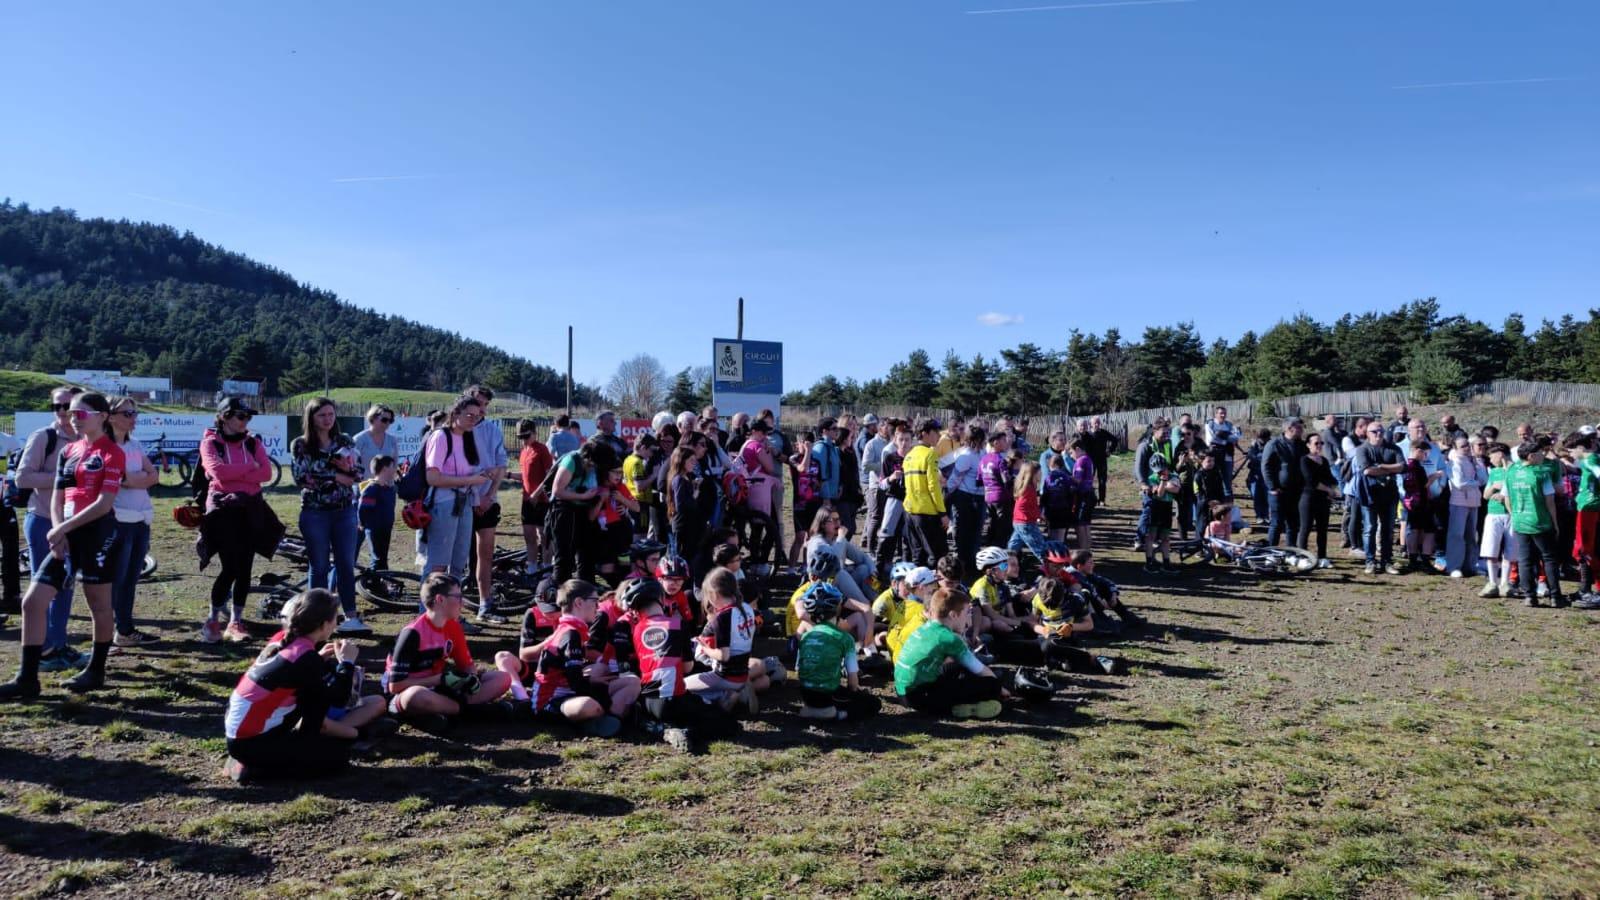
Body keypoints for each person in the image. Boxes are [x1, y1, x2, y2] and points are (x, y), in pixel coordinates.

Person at [0, 392, 123, 700]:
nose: (72, 418)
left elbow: (103, 503)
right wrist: (57, 529)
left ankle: (95, 669)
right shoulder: (69, 450)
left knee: (99, 606)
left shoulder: (111, 452)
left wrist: (64, 529)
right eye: (69, 413)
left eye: (80, 414)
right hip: (65, 534)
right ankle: (27, 678)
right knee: (32, 602)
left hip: (96, 535)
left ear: (102, 416)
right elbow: (58, 495)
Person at [222, 589, 391, 781]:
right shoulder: (304, 657)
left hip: (242, 735)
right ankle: (251, 768)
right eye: (336, 618)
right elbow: (339, 699)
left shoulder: (284, 640)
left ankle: (299, 746)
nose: (337, 623)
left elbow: (299, 679)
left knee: (314, 700)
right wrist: (347, 663)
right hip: (252, 743)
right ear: (324, 624)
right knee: (337, 758)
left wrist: (319, 659)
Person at [384, 573, 514, 734]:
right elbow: (395, 686)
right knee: (415, 696)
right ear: (440, 599)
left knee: (502, 678)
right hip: (407, 692)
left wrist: (470, 679)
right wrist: (441, 679)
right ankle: (474, 712)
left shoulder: (453, 626)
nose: (463, 602)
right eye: (458, 596)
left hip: (439, 689)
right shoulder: (412, 633)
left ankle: (444, 714)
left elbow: (467, 667)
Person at [199, 397, 281, 642]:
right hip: (224, 511)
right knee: (230, 567)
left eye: (248, 417)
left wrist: (243, 474)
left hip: (251, 509)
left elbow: (266, 473)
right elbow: (218, 474)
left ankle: (236, 622)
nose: (246, 421)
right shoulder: (210, 442)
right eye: (241, 416)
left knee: (245, 567)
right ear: (225, 416)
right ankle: (213, 620)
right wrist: (250, 470)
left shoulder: (253, 442)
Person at [14, 386, 84, 671]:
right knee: (43, 589)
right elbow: (22, 478)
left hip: (74, 524)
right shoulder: (45, 437)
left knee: (66, 587)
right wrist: (63, 477)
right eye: (58, 406)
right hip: (43, 520)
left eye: (70, 406)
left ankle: (58, 645)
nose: (64, 412)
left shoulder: (85, 438)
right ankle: (42, 651)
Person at [291, 397, 369, 633]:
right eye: (322, 415)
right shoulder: (301, 445)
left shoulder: (343, 440)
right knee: (320, 566)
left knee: (346, 564)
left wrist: (347, 471)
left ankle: (351, 616)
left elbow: (359, 472)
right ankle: (317, 619)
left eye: (330, 414)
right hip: (315, 513)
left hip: (344, 511)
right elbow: (302, 478)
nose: (327, 419)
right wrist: (335, 475)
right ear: (311, 418)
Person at [420, 396, 492, 613]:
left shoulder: (469, 438)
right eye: (469, 415)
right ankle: (426, 616)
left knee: (458, 565)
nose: (474, 420)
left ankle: (452, 615)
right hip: (444, 504)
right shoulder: (441, 437)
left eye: (478, 416)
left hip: (464, 504)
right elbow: (433, 478)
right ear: (455, 414)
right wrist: (471, 480)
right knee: (438, 565)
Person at [893, 587, 1005, 720]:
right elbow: (979, 668)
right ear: (953, 615)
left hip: (903, 694)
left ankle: (958, 705)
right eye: (966, 612)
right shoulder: (949, 638)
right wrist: (1000, 688)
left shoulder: (924, 628)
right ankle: (960, 707)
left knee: (959, 668)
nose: (968, 617)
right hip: (922, 697)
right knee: (992, 684)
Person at [100, 397, 159, 649]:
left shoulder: (134, 444)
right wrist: (136, 479)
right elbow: (116, 479)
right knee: (118, 578)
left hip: (141, 519)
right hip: (118, 519)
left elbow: (153, 476)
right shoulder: (103, 446)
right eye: (128, 413)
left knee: (131, 578)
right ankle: (116, 629)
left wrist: (132, 479)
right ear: (111, 416)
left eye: (134, 412)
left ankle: (124, 629)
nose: (133, 417)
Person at [690, 568, 779, 714]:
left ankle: (725, 696)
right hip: (742, 673)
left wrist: (706, 649)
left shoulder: (722, 618)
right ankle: (734, 692)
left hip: (723, 675)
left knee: (682, 687)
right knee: (761, 678)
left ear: (714, 594)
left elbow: (724, 656)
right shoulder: (747, 609)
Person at [796, 583, 880, 722]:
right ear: (838, 608)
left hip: (805, 693)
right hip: (828, 694)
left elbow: (799, 668)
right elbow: (853, 682)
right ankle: (836, 714)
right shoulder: (844, 638)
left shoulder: (805, 636)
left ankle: (812, 709)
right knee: (873, 704)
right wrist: (855, 694)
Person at [1504, 439, 1565, 606]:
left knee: (1525, 560)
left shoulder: (1511, 472)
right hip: (1540, 522)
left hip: (1520, 522)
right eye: (1539, 453)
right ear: (1531, 456)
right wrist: (1555, 523)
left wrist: (1515, 515)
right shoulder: (1541, 474)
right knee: (1549, 558)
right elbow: (1549, 501)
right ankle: (1555, 597)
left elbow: (1507, 498)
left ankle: (1529, 596)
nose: (1542, 455)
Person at [548, 436, 613, 584]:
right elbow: (557, 491)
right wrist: (582, 496)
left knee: (587, 556)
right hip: (564, 512)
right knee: (565, 558)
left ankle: (585, 592)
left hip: (585, 512)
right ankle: (560, 595)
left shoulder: (597, 466)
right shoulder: (572, 460)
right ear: (591, 458)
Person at [1352, 420, 1406, 576]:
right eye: (1374, 432)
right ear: (1367, 434)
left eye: (1380, 431)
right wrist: (1390, 469)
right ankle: (1370, 561)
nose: (1378, 434)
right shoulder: (1363, 449)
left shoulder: (1393, 448)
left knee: (1388, 529)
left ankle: (1387, 561)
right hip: (1370, 494)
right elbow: (1367, 470)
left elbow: (1402, 467)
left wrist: (1381, 467)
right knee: (1370, 528)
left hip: (1390, 494)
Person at [902, 418, 949, 568]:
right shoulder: (930, 454)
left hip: (910, 512)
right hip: (927, 512)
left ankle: (917, 588)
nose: (939, 436)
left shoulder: (909, 455)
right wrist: (942, 513)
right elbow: (933, 487)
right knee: (938, 555)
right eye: (936, 432)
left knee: (918, 555)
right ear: (925, 433)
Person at [1479, 443, 1518, 598]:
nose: (1490, 459)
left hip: (1510, 514)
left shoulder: (1515, 470)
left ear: (1500, 454)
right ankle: (1492, 582)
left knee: (1510, 549)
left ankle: (1505, 582)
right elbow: (1486, 495)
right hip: (1494, 513)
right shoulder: (1494, 472)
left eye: (1491, 455)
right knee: (1491, 548)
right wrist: (1495, 486)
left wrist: (1506, 497)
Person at [1445, 435, 1487, 579]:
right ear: (1455, 448)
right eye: (1462, 446)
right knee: (1456, 535)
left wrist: (1477, 467)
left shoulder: (1474, 461)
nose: (1467, 448)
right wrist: (1475, 482)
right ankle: (1453, 566)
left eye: (1467, 445)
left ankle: (1470, 565)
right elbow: (1459, 484)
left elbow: (1484, 479)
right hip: (1458, 502)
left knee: (1471, 536)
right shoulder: (1453, 462)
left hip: (1474, 502)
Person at [948, 424, 987, 576]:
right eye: (982, 439)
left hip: (980, 497)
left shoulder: (983, 453)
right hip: (964, 498)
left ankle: (973, 563)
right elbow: (954, 480)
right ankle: (961, 564)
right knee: (962, 532)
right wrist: (947, 496)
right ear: (976, 439)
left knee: (976, 532)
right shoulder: (966, 456)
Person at [1297, 433, 1339, 567]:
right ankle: (1303, 557)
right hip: (1308, 499)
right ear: (1308, 445)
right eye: (1316, 443)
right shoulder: (1304, 460)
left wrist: (1333, 487)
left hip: (1323, 500)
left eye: (1321, 443)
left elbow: (1331, 478)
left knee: (1323, 529)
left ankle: (1322, 557)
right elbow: (1311, 480)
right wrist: (1329, 490)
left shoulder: (1324, 460)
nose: (1319, 446)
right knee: (1306, 528)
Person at [1263, 418, 1306, 548]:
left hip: (1297, 490)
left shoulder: (1302, 445)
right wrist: (1272, 487)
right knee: (1277, 523)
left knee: (1293, 523)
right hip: (1278, 491)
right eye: (1299, 427)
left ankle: (1291, 550)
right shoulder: (1274, 444)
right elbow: (1266, 466)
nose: (1302, 430)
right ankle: (1271, 551)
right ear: (1289, 428)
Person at [1401, 440, 1444, 570]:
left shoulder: (1408, 466)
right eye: (1426, 454)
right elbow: (1422, 485)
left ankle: (1414, 558)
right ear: (1418, 451)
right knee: (1428, 531)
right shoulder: (1414, 467)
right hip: (1419, 503)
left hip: (1413, 502)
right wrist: (1435, 476)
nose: (1426, 457)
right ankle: (1423, 559)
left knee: (1415, 529)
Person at [517, 419, 553, 565]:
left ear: (534, 433)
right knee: (529, 537)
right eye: (521, 437)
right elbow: (524, 476)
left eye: (526, 436)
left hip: (542, 501)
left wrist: (536, 494)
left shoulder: (542, 449)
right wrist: (506, 475)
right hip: (527, 501)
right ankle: (532, 569)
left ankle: (546, 570)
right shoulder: (523, 452)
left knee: (544, 538)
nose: (524, 441)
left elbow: (549, 476)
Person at [357, 456, 397, 571]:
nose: (395, 469)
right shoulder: (372, 488)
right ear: (384, 469)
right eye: (392, 466)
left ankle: (381, 581)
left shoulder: (388, 488)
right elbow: (363, 508)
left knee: (383, 557)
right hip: (374, 528)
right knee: (377, 558)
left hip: (386, 528)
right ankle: (373, 582)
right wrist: (362, 523)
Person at [859, 416, 893, 554]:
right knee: (876, 516)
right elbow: (865, 466)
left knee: (888, 516)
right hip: (876, 486)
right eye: (887, 426)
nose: (890, 429)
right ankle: (870, 548)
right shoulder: (871, 444)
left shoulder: (892, 443)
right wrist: (884, 466)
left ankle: (884, 547)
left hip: (891, 485)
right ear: (880, 427)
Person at [1143, 457, 1180, 573]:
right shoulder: (1152, 478)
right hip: (1155, 507)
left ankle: (1166, 562)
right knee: (1151, 535)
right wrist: (1164, 483)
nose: (1160, 473)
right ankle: (1149, 562)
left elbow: (1176, 489)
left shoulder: (1174, 476)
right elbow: (1159, 494)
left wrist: (1163, 485)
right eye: (1158, 472)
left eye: (1162, 470)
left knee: (1166, 537)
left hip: (1167, 508)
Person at [353, 404, 399, 474]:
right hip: (365, 484)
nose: (387, 423)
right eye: (384, 420)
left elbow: (395, 466)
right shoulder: (359, 439)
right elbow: (352, 465)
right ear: (373, 418)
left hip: (387, 484)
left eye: (390, 421)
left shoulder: (392, 440)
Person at [1243, 428, 1272, 530]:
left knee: (1267, 496)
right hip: (1255, 474)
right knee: (1256, 496)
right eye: (1261, 438)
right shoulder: (1254, 445)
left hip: (1267, 475)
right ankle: (1259, 516)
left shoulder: (1272, 445)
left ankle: (1266, 516)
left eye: (1265, 438)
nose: (1262, 441)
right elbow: (1252, 456)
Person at [1203, 406, 1241, 485]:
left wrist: (1221, 436)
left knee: (1227, 479)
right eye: (1221, 413)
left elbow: (1237, 437)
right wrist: (1227, 439)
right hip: (1214, 454)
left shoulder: (1229, 425)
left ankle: (1228, 496)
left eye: (1224, 413)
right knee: (1213, 477)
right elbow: (1211, 440)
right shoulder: (1210, 423)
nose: (1223, 415)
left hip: (1228, 454)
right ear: (1216, 414)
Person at [1084, 416, 1117, 505]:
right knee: (1089, 480)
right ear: (1091, 424)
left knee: (1102, 481)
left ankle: (1102, 500)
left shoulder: (1103, 433)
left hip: (1102, 460)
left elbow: (1115, 440)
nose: (1097, 424)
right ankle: (1089, 499)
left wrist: (1110, 450)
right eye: (1095, 422)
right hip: (1090, 461)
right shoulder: (1087, 435)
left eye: (1098, 422)